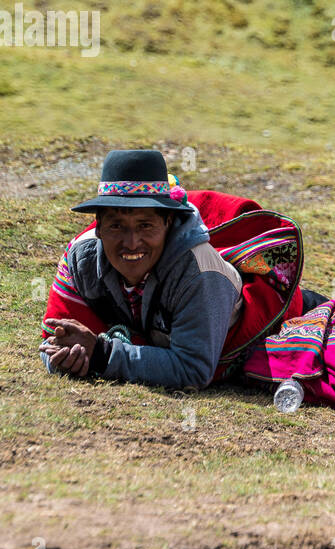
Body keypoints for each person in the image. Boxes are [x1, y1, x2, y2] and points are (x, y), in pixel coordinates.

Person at [40, 149, 316, 389]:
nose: (132, 242)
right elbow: (54, 341)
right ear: (98, 226)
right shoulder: (80, 259)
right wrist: (66, 358)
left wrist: (102, 355)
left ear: (169, 223)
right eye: (117, 226)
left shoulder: (200, 273)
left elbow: (193, 369)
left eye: (145, 226)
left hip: (278, 324)